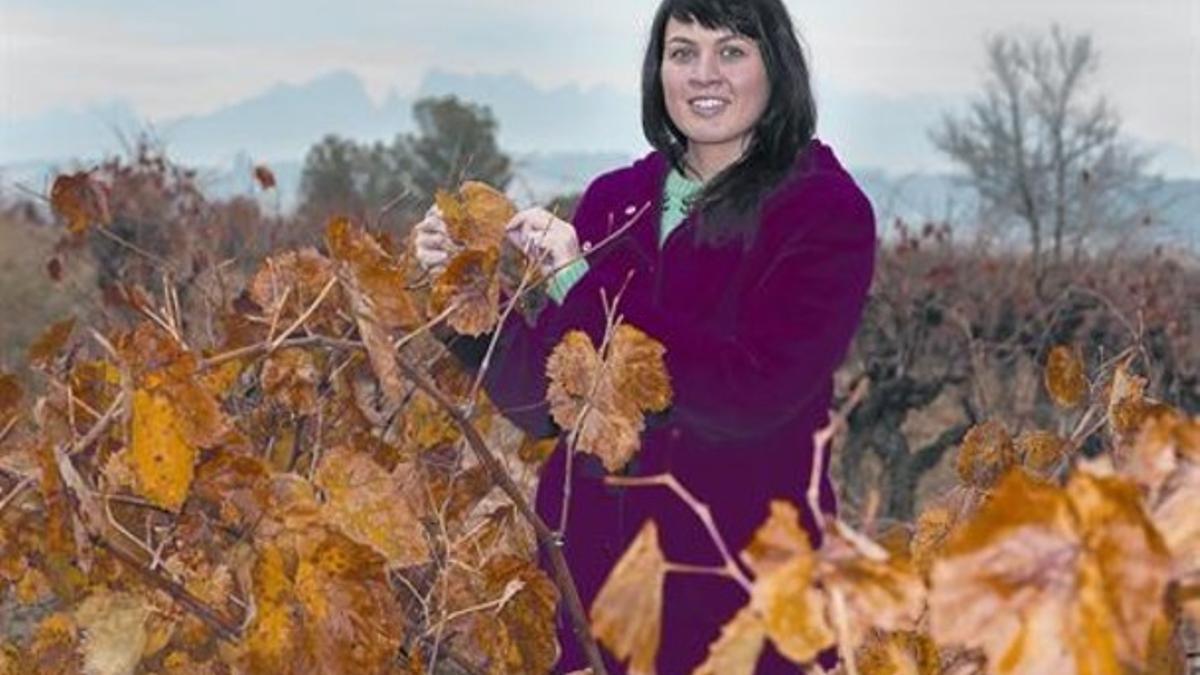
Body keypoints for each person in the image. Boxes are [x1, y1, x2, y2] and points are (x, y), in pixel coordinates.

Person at [414, 0, 876, 671]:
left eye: (732, 51)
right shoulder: (615, 199)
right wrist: (460, 293)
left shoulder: (822, 212)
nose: (703, 74)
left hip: (737, 601)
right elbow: (545, 403)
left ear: (776, 67)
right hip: (590, 595)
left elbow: (751, 392)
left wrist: (581, 283)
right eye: (682, 51)